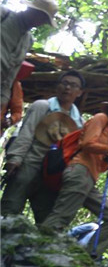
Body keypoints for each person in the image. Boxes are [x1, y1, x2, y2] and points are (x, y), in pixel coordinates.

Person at [40, 96, 108, 256]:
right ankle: (36, 249)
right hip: (80, 171)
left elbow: (99, 160)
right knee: (62, 215)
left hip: (89, 179)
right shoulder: (101, 118)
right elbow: (87, 143)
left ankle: (86, 256)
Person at [1, 70, 86, 221]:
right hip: (29, 163)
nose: (67, 88)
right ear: (57, 86)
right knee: (9, 209)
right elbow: (26, 132)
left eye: (73, 85)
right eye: (64, 83)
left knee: (46, 218)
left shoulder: (79, 121)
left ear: (79, 92)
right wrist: (15, 158)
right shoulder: (42, 106)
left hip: (52, 173)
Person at [1, 0, 57, 111]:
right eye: (41, 15)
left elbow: (11, 73)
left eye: (45, 19)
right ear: (30, 9)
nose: (41, 21)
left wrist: (3, 99)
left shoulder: (28, 40)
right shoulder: (3, 15)